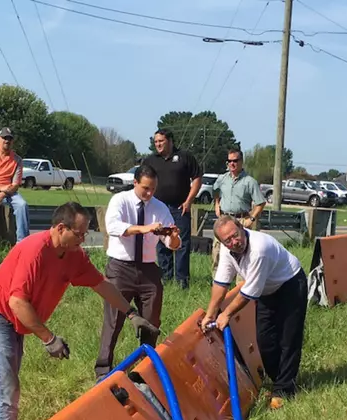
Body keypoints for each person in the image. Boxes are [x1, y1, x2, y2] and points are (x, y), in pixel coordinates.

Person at [0, 202, 159, 420]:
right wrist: (49, 338)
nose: (84, 238)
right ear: (60, 228)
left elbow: (102, 284)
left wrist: (132, 313)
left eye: (86, 233)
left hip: (11, 324)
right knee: (4, 387)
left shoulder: (74, 255)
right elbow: (17, 302)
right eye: (79, 233)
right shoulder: (35, 250)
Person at [202, 217, 307, 410]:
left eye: (236, 235)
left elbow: (249, 292)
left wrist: (226, 315)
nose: (234, 242)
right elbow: (221, 282)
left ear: (242, 228)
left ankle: (284, 389)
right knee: (265, 340)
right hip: (267, 289)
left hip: (290, 284)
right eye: (228, 240)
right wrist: (210, 313)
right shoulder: (228, 251)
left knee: (288, 338)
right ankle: (279, 381)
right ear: (222, 242)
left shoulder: (260, 249)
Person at [94, 164, 182, 380]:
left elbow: (171, 244)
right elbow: (113, 227)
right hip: (120, 267)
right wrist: (144, 229)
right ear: (135, 183)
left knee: (152, 320)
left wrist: (173, 237)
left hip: (148, 269)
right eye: (145, 188)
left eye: (153, 189)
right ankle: (103, 371)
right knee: (114, 320)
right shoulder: (120, 200)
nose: (149, 193)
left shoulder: (159, 207)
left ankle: (145, 369)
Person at [142, 128, 202, 290]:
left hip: (179, 208)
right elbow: (142, 180)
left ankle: (182, 282)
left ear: (170, 141)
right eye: (155, 142)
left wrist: (189, 201)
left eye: (161, 141)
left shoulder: (184, 157)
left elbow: (197, 178)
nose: (158, 144)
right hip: (158, 208)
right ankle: (165, 280)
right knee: (161, 244)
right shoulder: (151, 160)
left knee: (181, 244)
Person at [212, 148, 266, 279]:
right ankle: (217, 283)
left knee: (242, 254)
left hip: (241, 220)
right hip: (224, 219)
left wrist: (251, 218)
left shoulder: (250, 181)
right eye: (229, 161)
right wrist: (217, 205)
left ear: (241, 162)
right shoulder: (222, 179)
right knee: (217, 253)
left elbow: (260, 203)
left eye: (235, 161)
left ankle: (241, 287)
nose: (232, 164)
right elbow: (215, 191)